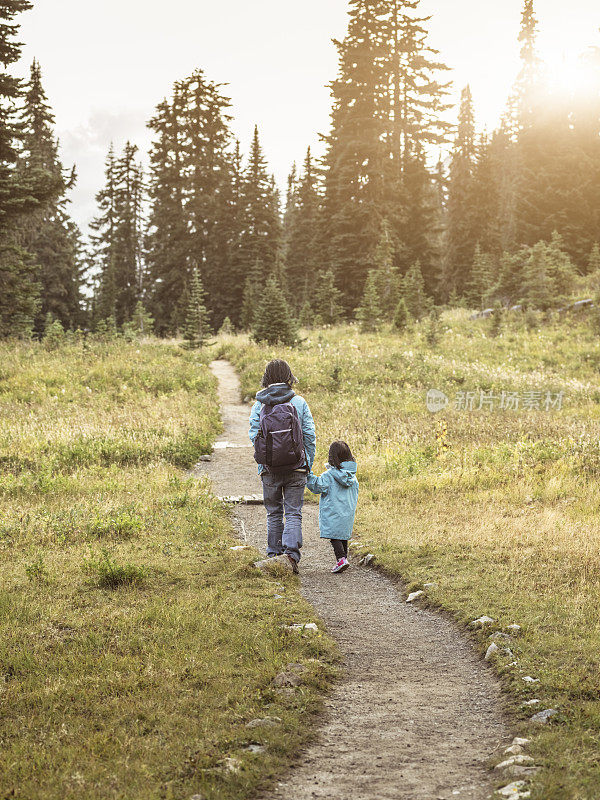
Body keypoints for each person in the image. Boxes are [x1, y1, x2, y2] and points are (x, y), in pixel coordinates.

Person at [249, 359, 316, 574]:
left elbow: (254, 436)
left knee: (274, 513)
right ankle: (291, 557)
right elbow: (309, 436)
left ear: (267, 377)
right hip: (297, 467)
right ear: (289, 376)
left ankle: (273, 555)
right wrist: (307, 465)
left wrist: (264, 464)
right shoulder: (299, 401)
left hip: (270, 470)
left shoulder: (259, 404)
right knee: (294, 512)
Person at [307, 441, 359, 574]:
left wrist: (309, 476)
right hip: (347, 512)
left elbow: (317, 486)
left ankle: (341, 559)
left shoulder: (329, 475)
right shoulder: (353, 477)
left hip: (333, 512)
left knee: (334, 537)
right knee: (343, 536)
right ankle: (344, 559)